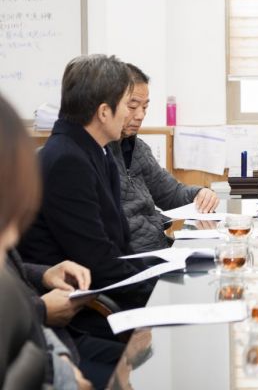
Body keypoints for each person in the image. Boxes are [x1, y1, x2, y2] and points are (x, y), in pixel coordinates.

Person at [18, 55, 152, 324]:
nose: (131, 114)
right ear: (104, 112)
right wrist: (160, 294)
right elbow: (98, 262)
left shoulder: (95, 151)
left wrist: (159, 277)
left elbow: (120, 245)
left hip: (107, 295)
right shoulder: (68, 161)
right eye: (128, 104)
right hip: (80, 312)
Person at [0, 93, 93, 390]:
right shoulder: (66, 158)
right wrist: (41, 308)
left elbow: (14, 272)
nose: (13, 237)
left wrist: (44, 273)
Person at [108, 64, 219, 252]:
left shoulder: (138, 148)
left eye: (145, 107)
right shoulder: (96, 154)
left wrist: (199, 193)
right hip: (135, 259)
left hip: (161, 248)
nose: (140, 115)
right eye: (133, 106)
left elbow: (171, 193)